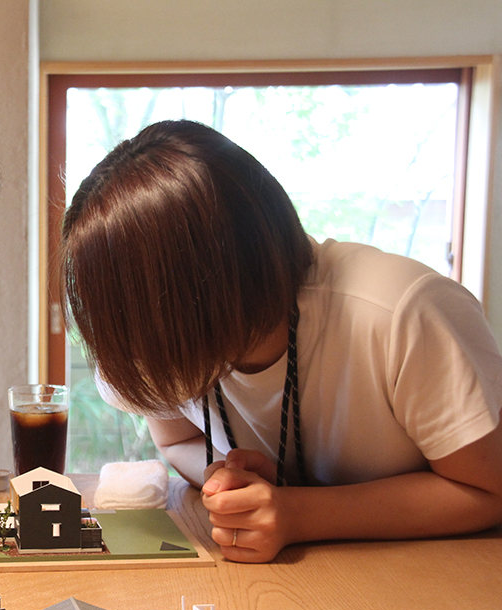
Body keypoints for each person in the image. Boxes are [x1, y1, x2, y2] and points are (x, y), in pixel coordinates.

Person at [60, 119, 502, 563]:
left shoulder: (399, 311)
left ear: (208, 289)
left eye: (141, 322)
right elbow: (177, 443)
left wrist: (299, 513)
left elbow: (488, 488)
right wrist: (231, 486)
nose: (138, 351)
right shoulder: (155, 340)